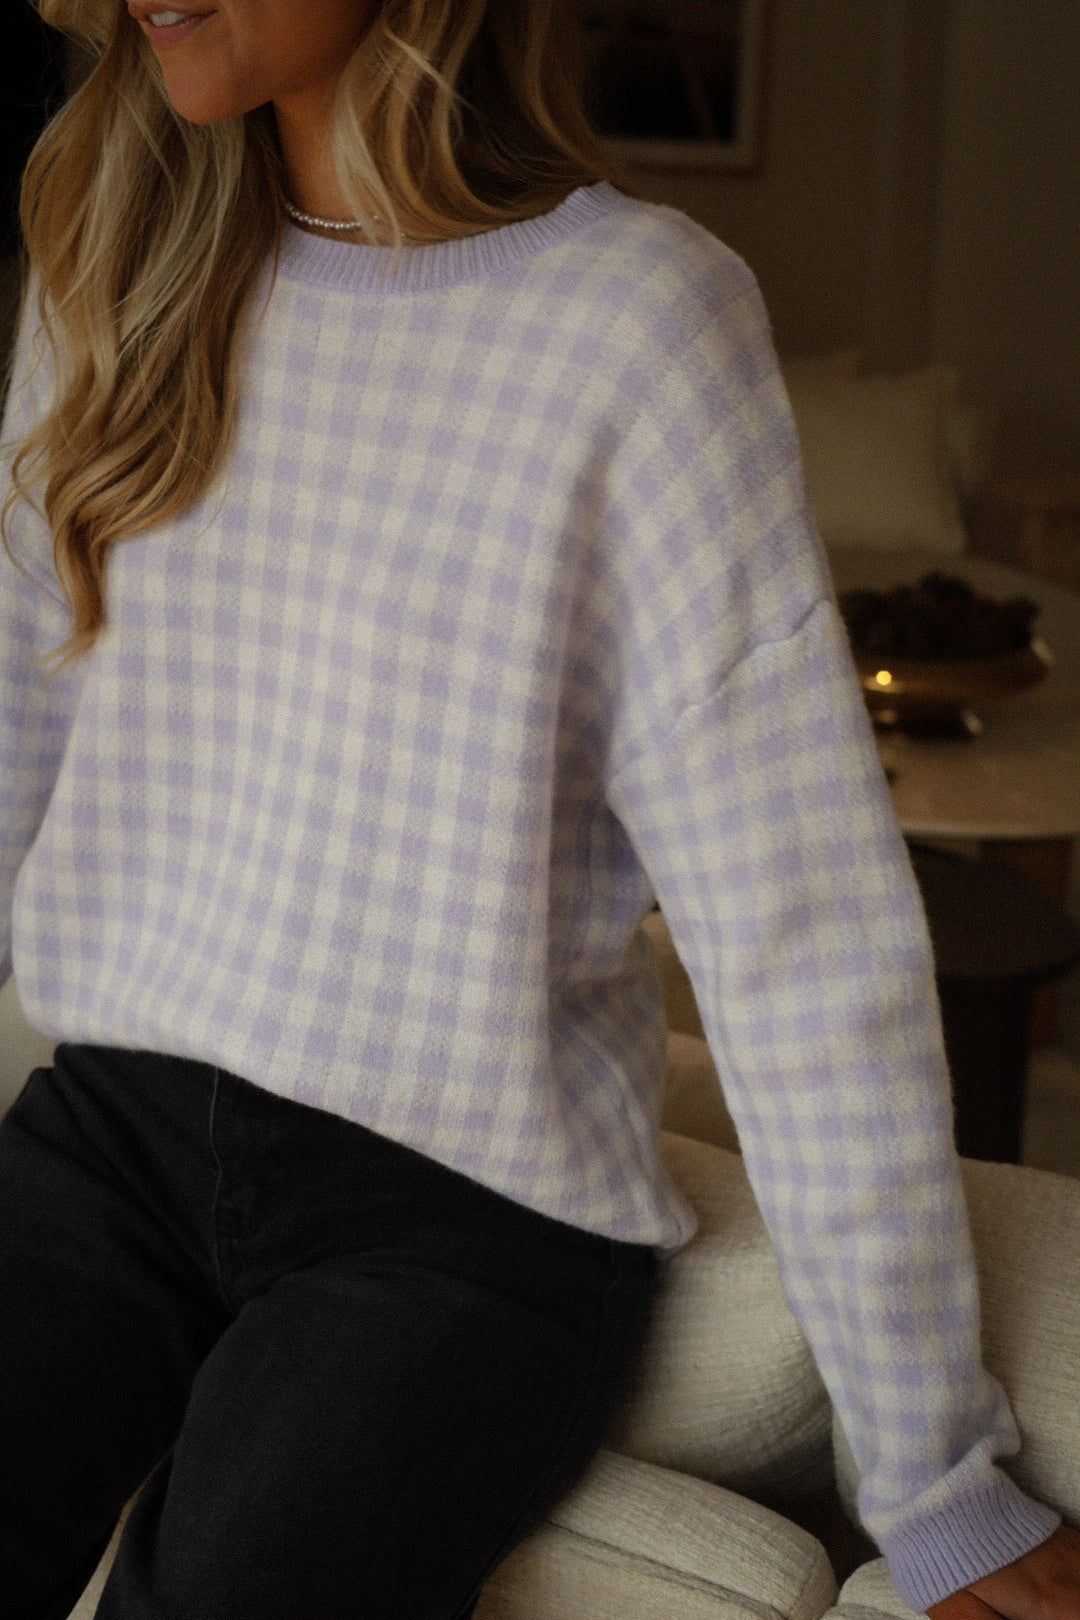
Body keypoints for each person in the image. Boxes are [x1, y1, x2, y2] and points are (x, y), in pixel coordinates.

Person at [0, 2, 1077, 1616]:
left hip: (456, 1220)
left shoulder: (639, 324)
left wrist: (936, 1480)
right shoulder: (113, 262)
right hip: (116, 1133)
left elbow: (798, 938)